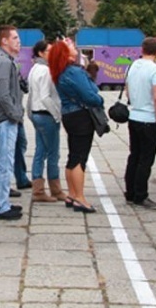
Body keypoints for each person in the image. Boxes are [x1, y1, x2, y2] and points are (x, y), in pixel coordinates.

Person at [48, 38, 104, 214]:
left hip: (69, 115)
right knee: (80, 157)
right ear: (65, 52)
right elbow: (90, 95)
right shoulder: (74, 72)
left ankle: (72, 194)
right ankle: (80, 197)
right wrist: (99, 99)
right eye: (71, 46)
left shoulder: (61, 72)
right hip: (81, 116)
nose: (75, 47)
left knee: (73, 155)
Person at [0, 26, 25, 220]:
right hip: (3, 119)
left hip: (3, 117)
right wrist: (15, 114)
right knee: (4, 163)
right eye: (15, 38)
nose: (19, 41)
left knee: (5, 162)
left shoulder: (5, 60)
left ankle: (2, 201)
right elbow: (2, 93)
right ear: (4, 41)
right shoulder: (2, 61)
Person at [123, 37, 156, 210]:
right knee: (146, 159)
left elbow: (127, 91)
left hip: (134, 115)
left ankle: (130, 191)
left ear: (142, 49)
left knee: (134, 155)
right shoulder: (155, 69)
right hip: (148, 117)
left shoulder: (131, 66)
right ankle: (141, 194)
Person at [27, 40, 64, 203]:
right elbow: (44, 96)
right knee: (53, 153)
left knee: (40, 152)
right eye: (48, 51)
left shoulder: (34, 69)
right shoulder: (46, 71)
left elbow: (31, 94)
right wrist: (57, 115)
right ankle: (55, 189)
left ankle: (38, 189)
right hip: (46, 114)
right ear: (41, 53)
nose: (51, 54)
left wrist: (30, 113)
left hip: (36, 113)